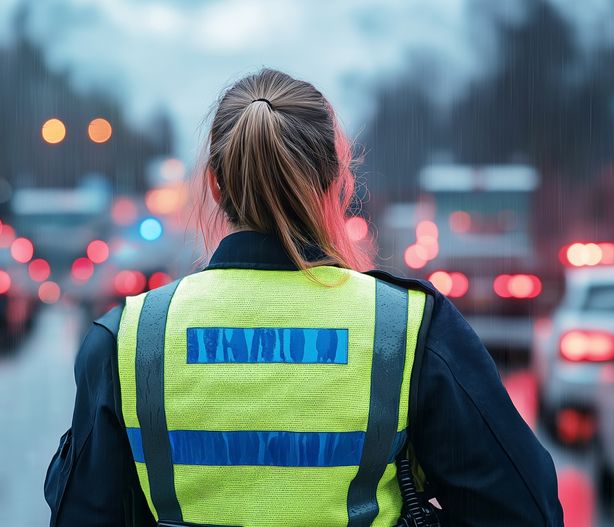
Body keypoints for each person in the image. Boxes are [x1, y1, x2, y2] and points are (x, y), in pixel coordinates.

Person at [45, 69, 562, 526]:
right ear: (337, 184)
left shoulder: (129, 339)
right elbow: (526, 510)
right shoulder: (405, 328)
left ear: (216, 187)